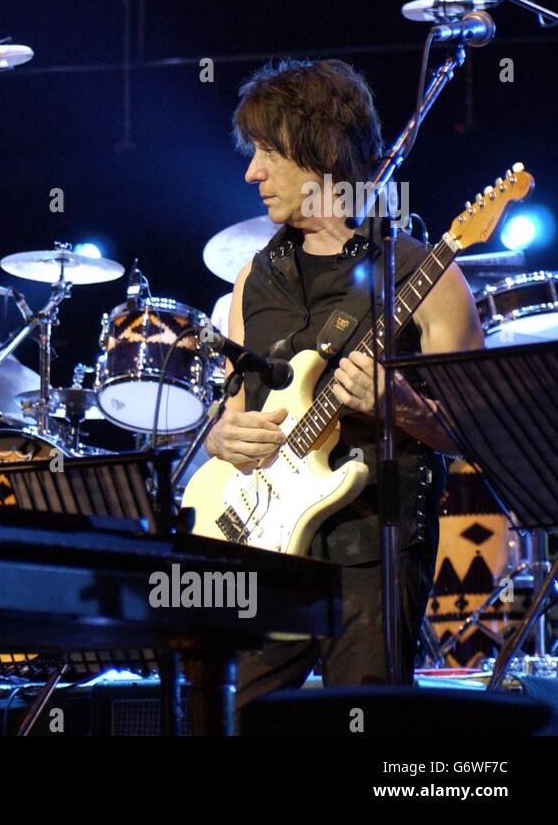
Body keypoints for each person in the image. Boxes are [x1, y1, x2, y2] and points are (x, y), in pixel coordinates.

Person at [204, 59, 484, 714]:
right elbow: (232, 403)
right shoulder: (253, 279)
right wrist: (221, 433)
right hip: (265, 551)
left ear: (320, 150)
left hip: (372, 552)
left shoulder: (427, 275)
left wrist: (405, 409)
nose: (252, 173)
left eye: (268, 152)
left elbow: (479, 430)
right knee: (219, 718)